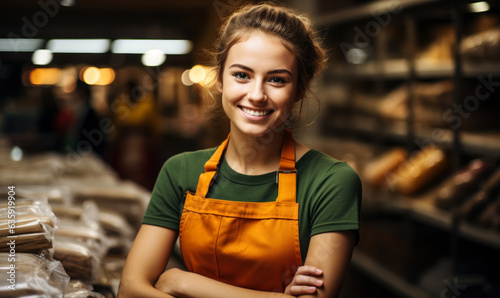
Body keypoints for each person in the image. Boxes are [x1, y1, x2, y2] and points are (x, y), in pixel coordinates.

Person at [119, 3, 361, 298]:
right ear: (219, 79)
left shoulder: (331, 182)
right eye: (242, 75)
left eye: (277, 79)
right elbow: (130, 289)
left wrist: (183, 283)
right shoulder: (180, 171)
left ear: (299, 89)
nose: (257, 95)